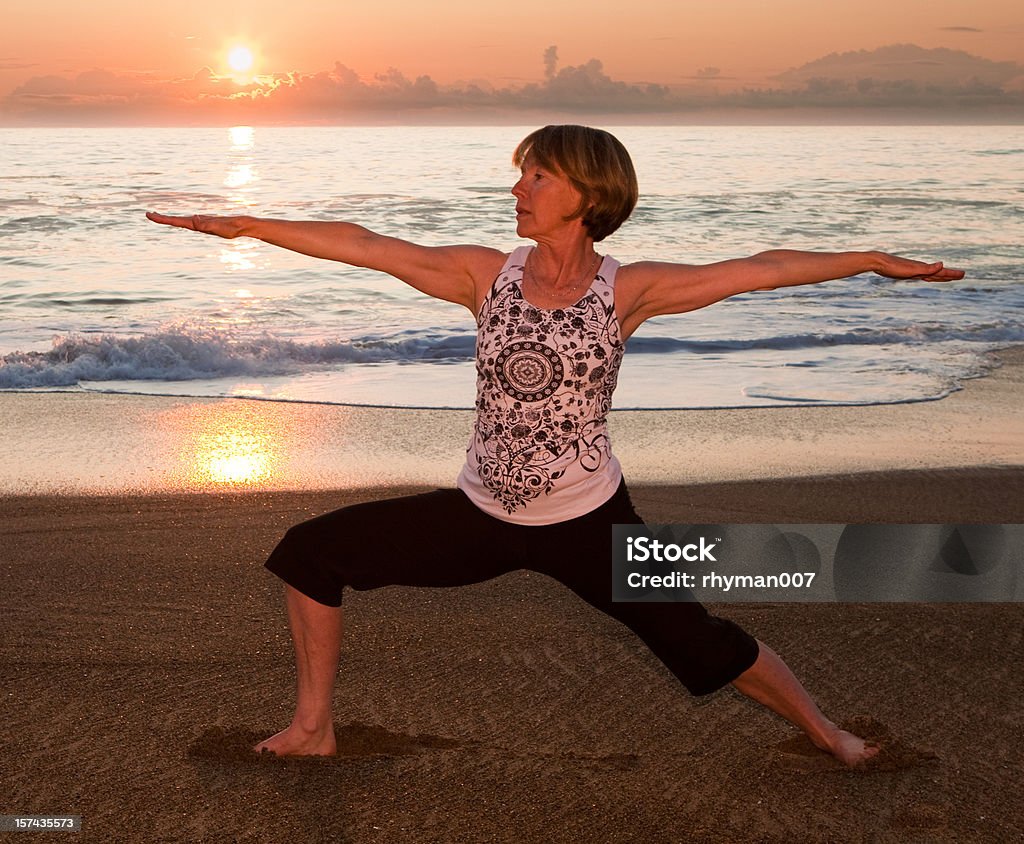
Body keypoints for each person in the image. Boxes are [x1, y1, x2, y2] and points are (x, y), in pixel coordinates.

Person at [146, 125, 963, 767]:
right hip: (480, 509)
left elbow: (758, 266)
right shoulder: (483, 275)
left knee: (700, 641)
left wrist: (867, 262)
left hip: (587, 520)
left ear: (588, 192)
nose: (518, 188)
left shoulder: (628, 289)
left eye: (537, 175)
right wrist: (248, 226)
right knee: (309, 553)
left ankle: (830, 736)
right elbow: (367, 244)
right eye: (522, 173)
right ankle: (312, 727)